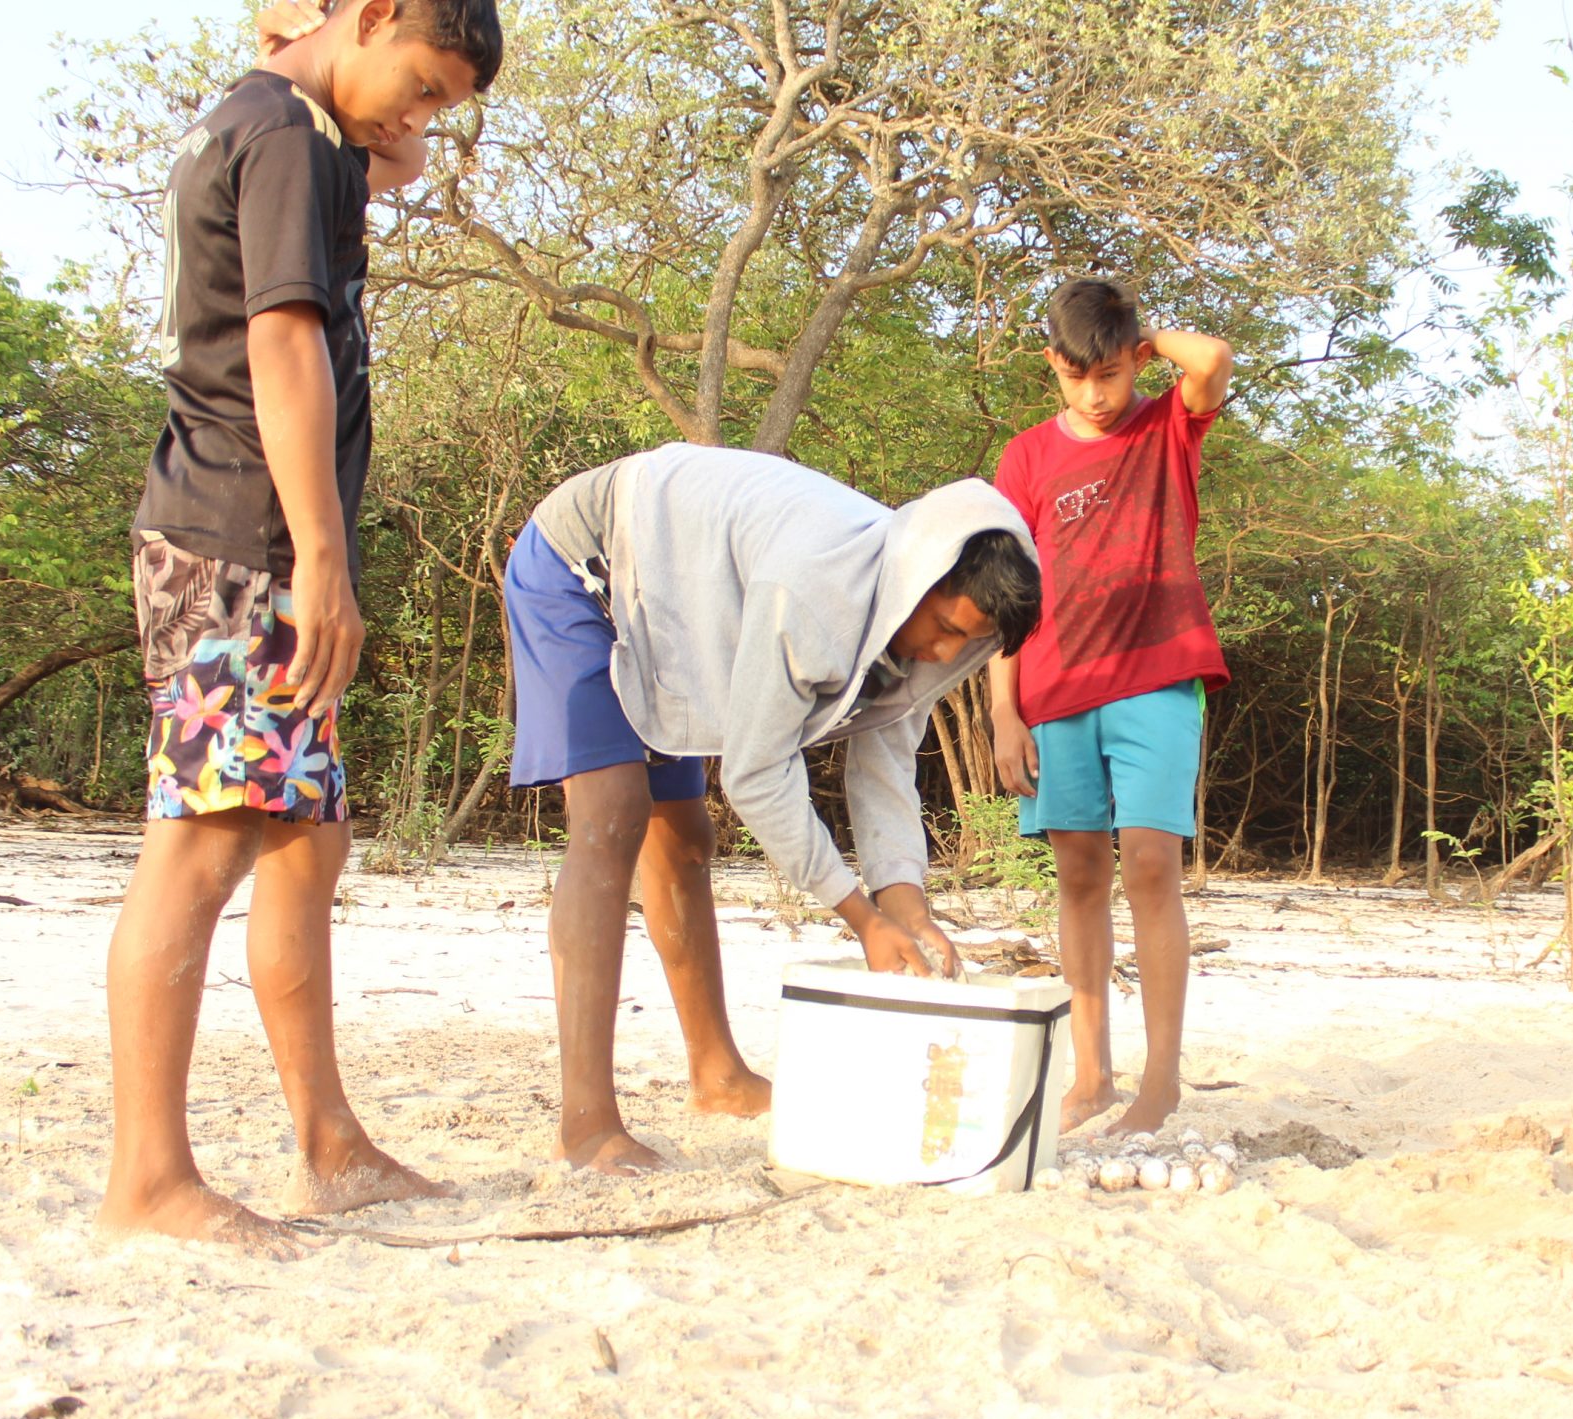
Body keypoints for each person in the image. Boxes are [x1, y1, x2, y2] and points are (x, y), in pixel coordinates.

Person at [97, 0, 506, 1258]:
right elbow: (283, 342)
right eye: (423, 83)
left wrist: (357, 81)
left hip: (257, 536)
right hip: (241, 535)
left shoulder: (291, 118)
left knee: (302, 844)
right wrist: (321, 555)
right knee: (207, 843)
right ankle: (149, 1182)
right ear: (375, 14)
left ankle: (328, 1144)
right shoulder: (279, 131)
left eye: (443, 102)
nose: (420, 120)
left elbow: (396, 156)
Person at [505, 443, 1041, 1175]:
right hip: (589, 565)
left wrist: (908, 910)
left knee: (686, 837)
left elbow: (885, 769)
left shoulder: (915, 626)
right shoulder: (815, 593)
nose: (946, 653)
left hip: (680, 605)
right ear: (921, 576)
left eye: (968, 643)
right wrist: (861, 917)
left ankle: (717, 1074)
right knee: (613, 816)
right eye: (946, 628)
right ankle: (587, 1124)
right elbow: (756, 773)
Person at [987, 278, 1235, 1136]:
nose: (1095, 396)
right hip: (1054, 691)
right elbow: (1007, 595)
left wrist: (1143, 335)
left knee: (1152, 867)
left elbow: (1213, 361)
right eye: (1075, 376)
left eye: (1111, 375)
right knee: (1080, 877)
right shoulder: (1024, 459)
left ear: (1133, 361)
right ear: (1050, 364)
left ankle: (1158, 1083)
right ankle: (1091, 1075)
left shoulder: (1166, 426)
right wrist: (1002, 714)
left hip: (1158, 678)